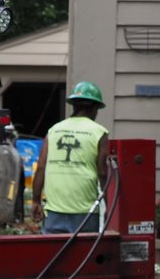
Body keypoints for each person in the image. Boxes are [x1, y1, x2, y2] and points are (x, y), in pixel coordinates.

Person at [31, 81, 109, 234]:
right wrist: (108, 203)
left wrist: (35, 200)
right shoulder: (99, 132)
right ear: (95, 108)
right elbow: (102, 172)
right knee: (83, 255)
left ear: (74, 105)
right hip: (86, 211)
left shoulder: (53, 131)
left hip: (54, 211)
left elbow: (41, 167)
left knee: (54, 255)